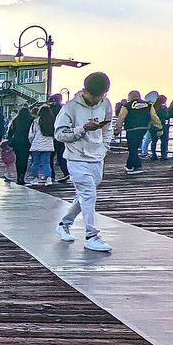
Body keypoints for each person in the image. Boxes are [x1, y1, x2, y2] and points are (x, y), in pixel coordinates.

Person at [54, 72, 114, 252]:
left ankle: (64, 224)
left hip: (97, 157)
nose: (96, 100)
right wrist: (82, 129)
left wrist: (105, 147)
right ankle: (91, 236)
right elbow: (59, 134)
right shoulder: (70, 108)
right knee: (89, 194)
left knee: (85, 195)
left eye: (101, 96)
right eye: (94, 96)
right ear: (84, 91)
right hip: (76, 157)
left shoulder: (106, 103)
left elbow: (108, 126)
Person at [116, 90, 162, 173]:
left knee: (132, 147)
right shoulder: (148, 105)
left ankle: (131, 167)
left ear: (130, 97)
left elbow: (121, 118)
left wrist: (117, 130)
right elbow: (154, 117)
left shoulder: (127, 106)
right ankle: (135, 165)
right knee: (135, 146)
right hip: (143, 128)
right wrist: (159, 128)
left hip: (131, 129)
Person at [27, 105, 56, 186]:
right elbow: (54, 135)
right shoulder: (52, 122)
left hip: (36, 145)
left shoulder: (36, 121)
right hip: (48, 146)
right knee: (46, 163)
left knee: (35, 163)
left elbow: (31, 135)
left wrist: (31, 142)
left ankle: (35, 179)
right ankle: (48, 178)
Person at [47, 94, 71, 182]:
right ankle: (66, 173)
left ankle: (51, 174)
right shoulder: (63, 109)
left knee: (50, 157)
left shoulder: (49, 110)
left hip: (51, 136)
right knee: (61, 156)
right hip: (61, 135)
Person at [7, 107, 32, 185]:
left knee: (18, 159)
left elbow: (10, 132)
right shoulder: (31, 119)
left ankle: (18, 177)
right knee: (24, 159)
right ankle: (22, 176)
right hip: (27, 141)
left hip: (17, 141)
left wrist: (10, 140)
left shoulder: (16, 120)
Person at [150, 94, 170, 160]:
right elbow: (166, 116)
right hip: (162, 125)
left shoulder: (152, 107)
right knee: (164, 141)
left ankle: (154, 154)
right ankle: (163, 155)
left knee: (154, 141)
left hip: (153, 125)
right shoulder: (163, 108)